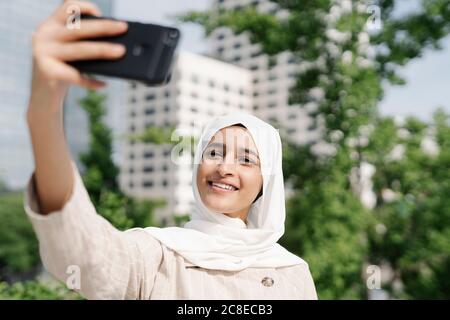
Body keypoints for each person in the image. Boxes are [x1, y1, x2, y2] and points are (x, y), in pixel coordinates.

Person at [24, 0, 317, 300]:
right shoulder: (157, 255)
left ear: (265, 184)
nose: (224, 167)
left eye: (245, 159)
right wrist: (44, 110)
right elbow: (83, 255)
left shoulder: (291, 273)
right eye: (214, 152)